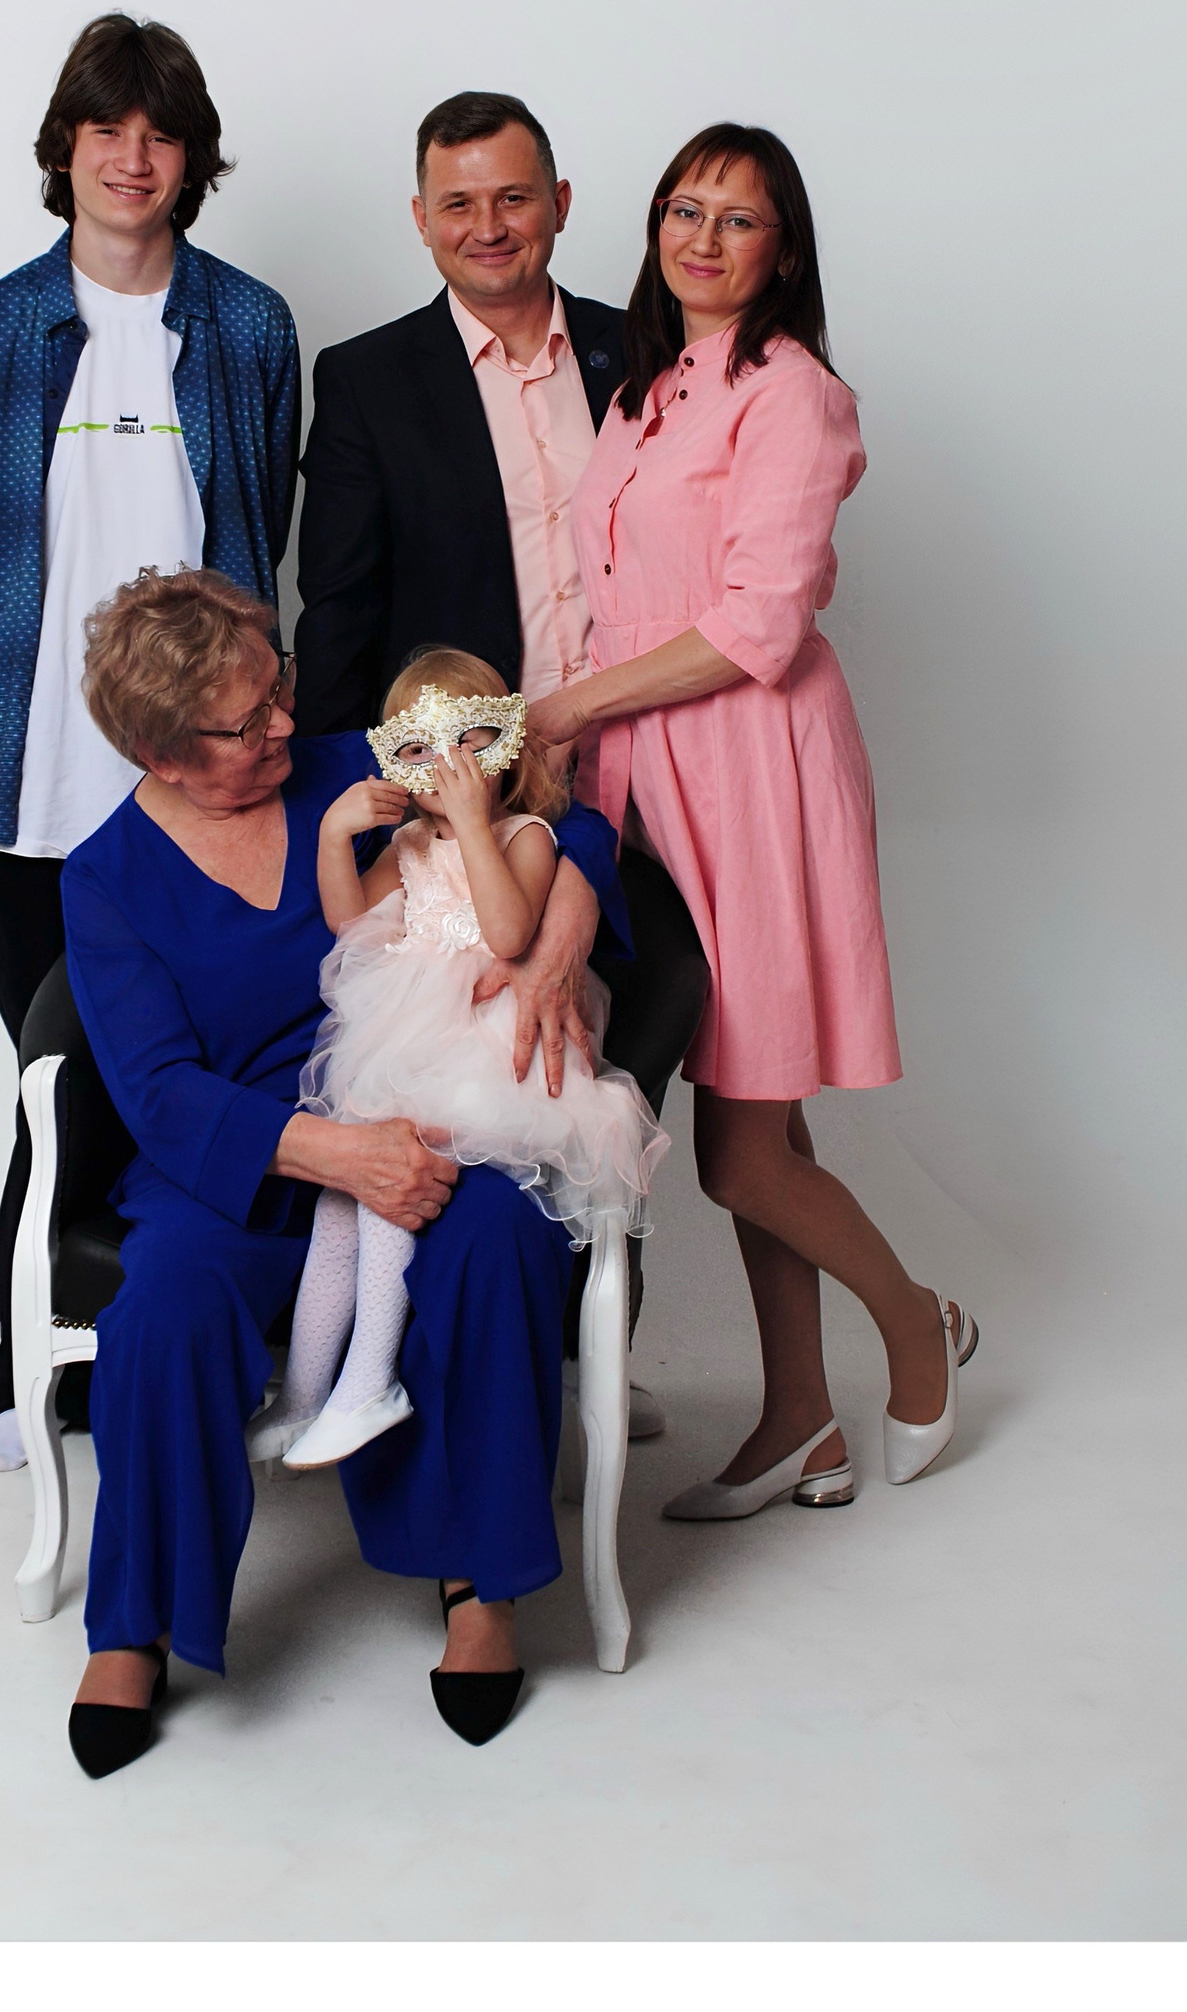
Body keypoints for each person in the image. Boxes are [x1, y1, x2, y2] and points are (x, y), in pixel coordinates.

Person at [59, 569, 637, 1775]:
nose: (285, 720)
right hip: (240, 1152)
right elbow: (157, 1088)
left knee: (498, 1235)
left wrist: (568, 919)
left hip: (424, 1104)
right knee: (164, 1303)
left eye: (278, 690)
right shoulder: (105, 877)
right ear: (163, 754)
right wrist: (340, 1154)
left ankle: (479, 1581)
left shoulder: (349, 768)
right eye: (246, 720)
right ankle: (134, 1621)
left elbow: (550, 810)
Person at [530, 126, 977, 1518]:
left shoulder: (796, 394)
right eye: (685, 208)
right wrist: (570, 738)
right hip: (644, 774)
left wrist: (569, 704)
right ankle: (799, 1417)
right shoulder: (643, 388)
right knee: (754, 1115)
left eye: (740, 218)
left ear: (784, 252)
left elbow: (759, 624)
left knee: (741, 1144)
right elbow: (615, 591)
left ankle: (917, 1321)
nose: (704, 237)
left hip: (754, 771)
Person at [293, 89, 710, 1424]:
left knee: (630, 1044)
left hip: (657, 771)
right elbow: (338, 616)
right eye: (459, 202)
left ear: (562, 205)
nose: (490, 225)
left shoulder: (643, 347)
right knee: (501, 1061)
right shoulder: (368, 380)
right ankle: (457, 1360)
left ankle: (595, 1347)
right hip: (477, 801)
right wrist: (363, 808)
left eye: (515, 196)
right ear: (421, 220)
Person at [0, 13, 300, 1471]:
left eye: (160, 134)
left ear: (192, 158)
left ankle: (199, 1345)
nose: (132, 159)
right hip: (36, 793)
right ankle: (29, 1371)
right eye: (106, 130)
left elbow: (261, 527)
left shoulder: (250, 327)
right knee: (65, 1087)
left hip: (211, 790)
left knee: (210, 1072)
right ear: (65, 148)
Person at [249, 648, 667, 1474]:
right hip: (408, 1041)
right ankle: (302, 1395)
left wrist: (475, 825)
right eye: (420, 748)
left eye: (471, 740)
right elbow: (351, 929)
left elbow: (508, 934)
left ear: (505, 746)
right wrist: (335, 835)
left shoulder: (527, 836)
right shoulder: (407, 842)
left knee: (388, 1187)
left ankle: (369, 1382)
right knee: (339, 1200)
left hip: (488, 1050)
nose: (448, 765)